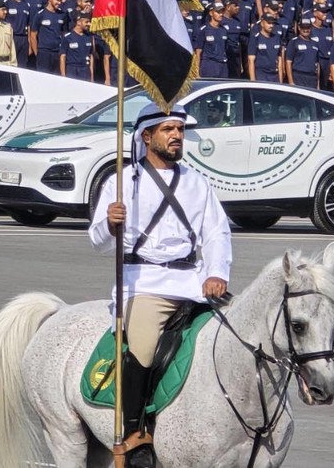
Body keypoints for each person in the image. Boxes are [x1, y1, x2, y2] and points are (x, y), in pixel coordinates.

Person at [88, 102, 231, 468]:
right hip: (144, 283)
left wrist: (217, 273)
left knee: (233, 338)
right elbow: (98, 243)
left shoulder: (198, 183)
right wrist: (110, 222)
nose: (177, 136)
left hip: (193, 283)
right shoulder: (121, 182)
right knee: (145, 350)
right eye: (169, 130)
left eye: (180, 130)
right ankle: (135, 435)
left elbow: (216, 232)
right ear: (146, 136)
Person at [285, 18, 319, 88]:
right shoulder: (294, 42)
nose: (306, 30)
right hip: (298, 76)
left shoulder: (315, 43)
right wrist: (291, 81)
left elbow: (317, 64)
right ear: (299, 28)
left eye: (308, 27)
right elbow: (288, 62)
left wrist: (318, 84)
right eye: (303, 28)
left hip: (312, 78)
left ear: (311, 28)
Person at [59, 11, 93, 80]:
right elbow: (63, 56)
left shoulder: (89, 37)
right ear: (78, 22)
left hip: (85, 70)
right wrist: (63, 75)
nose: (89, 24)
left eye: (89, 22)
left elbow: (91, 56)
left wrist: (92, 75)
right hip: (72, 69)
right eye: (86, 22)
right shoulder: (68, 37)